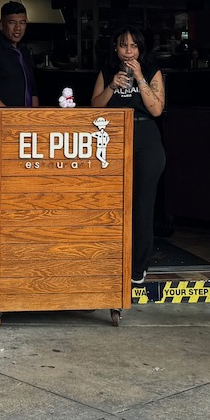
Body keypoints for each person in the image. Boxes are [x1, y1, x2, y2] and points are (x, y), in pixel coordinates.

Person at [92, 25, 167, 287]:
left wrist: (140, 77)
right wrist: (113, 85)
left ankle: (138, 266)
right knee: (110, 201)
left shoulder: (151, 70)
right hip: (112, 137)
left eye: (133, 45)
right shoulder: (107, 71)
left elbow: (157, 109)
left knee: (143, 203)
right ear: (115, 48)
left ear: (140, 49)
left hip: (145, 137)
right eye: (123, 45)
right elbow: (94, 106)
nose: (128, 50)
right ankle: (109, 259)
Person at [0, 1, 37, 109]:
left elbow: (32, 90)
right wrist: (7, 115)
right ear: (1, 25)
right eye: (12, 22)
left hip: (25, 120)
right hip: (3, 120)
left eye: (22, 23)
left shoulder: (24, 51)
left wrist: (34, 117)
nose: (18, 28)